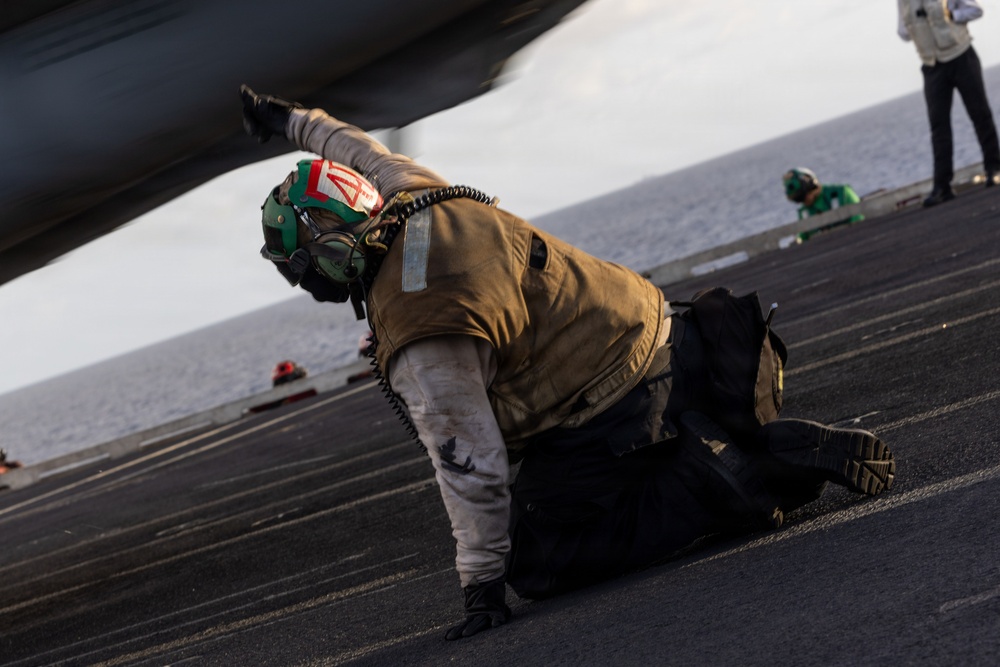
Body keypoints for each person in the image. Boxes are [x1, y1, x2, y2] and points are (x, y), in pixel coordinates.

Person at [240, 86, 897, 640]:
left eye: (294, 265)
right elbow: (358, 149)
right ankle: (733, 437)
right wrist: (289, 120)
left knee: (542, 557)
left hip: (614, 398)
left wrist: (483, 586)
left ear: (320, 254)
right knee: (595, 449)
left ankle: (743, 471)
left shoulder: (421, 326)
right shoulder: (414, 190)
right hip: (676, 332)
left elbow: (469, 460)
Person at [897, 0, 1000, 207]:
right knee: (939, 127)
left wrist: (952, 16)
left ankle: (995, 169)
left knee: (980, 114)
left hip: (961, 55)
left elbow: (975, 10)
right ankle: (942, 186)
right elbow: (902, 32)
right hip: (932, 65)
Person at [782, 168, 864, 242]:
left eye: (805, 195)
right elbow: (803, 236)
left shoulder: (841, 193)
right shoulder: (804, 213)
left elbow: (859, 217)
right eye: (799, 199)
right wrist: (798, 241)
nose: (805, 201)